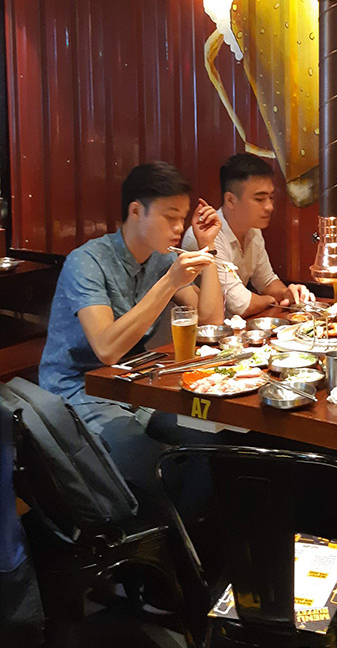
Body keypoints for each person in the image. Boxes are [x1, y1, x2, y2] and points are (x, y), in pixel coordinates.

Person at [39, 161, 224, 518]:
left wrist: (208, 249)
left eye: (182, 218)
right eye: (170, 217)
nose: (179, 228)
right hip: (78, 390)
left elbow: (210, 320)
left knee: (210, 442)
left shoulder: (159, 259)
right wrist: (169, 283)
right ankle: (163, 539)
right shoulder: (87, 262)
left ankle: (194, 538)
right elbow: (107, 349)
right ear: (136, 211)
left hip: (131, 385)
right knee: (159, 468)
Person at [182, 153, 314, 316]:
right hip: (204, 328)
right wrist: (270, 300)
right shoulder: (205, 235)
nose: (269, 207)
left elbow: (267, 282)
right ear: (230, 200)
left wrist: (288, 293)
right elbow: (239, 305)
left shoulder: (253, 230)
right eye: (260, 199)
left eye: (271, 197)